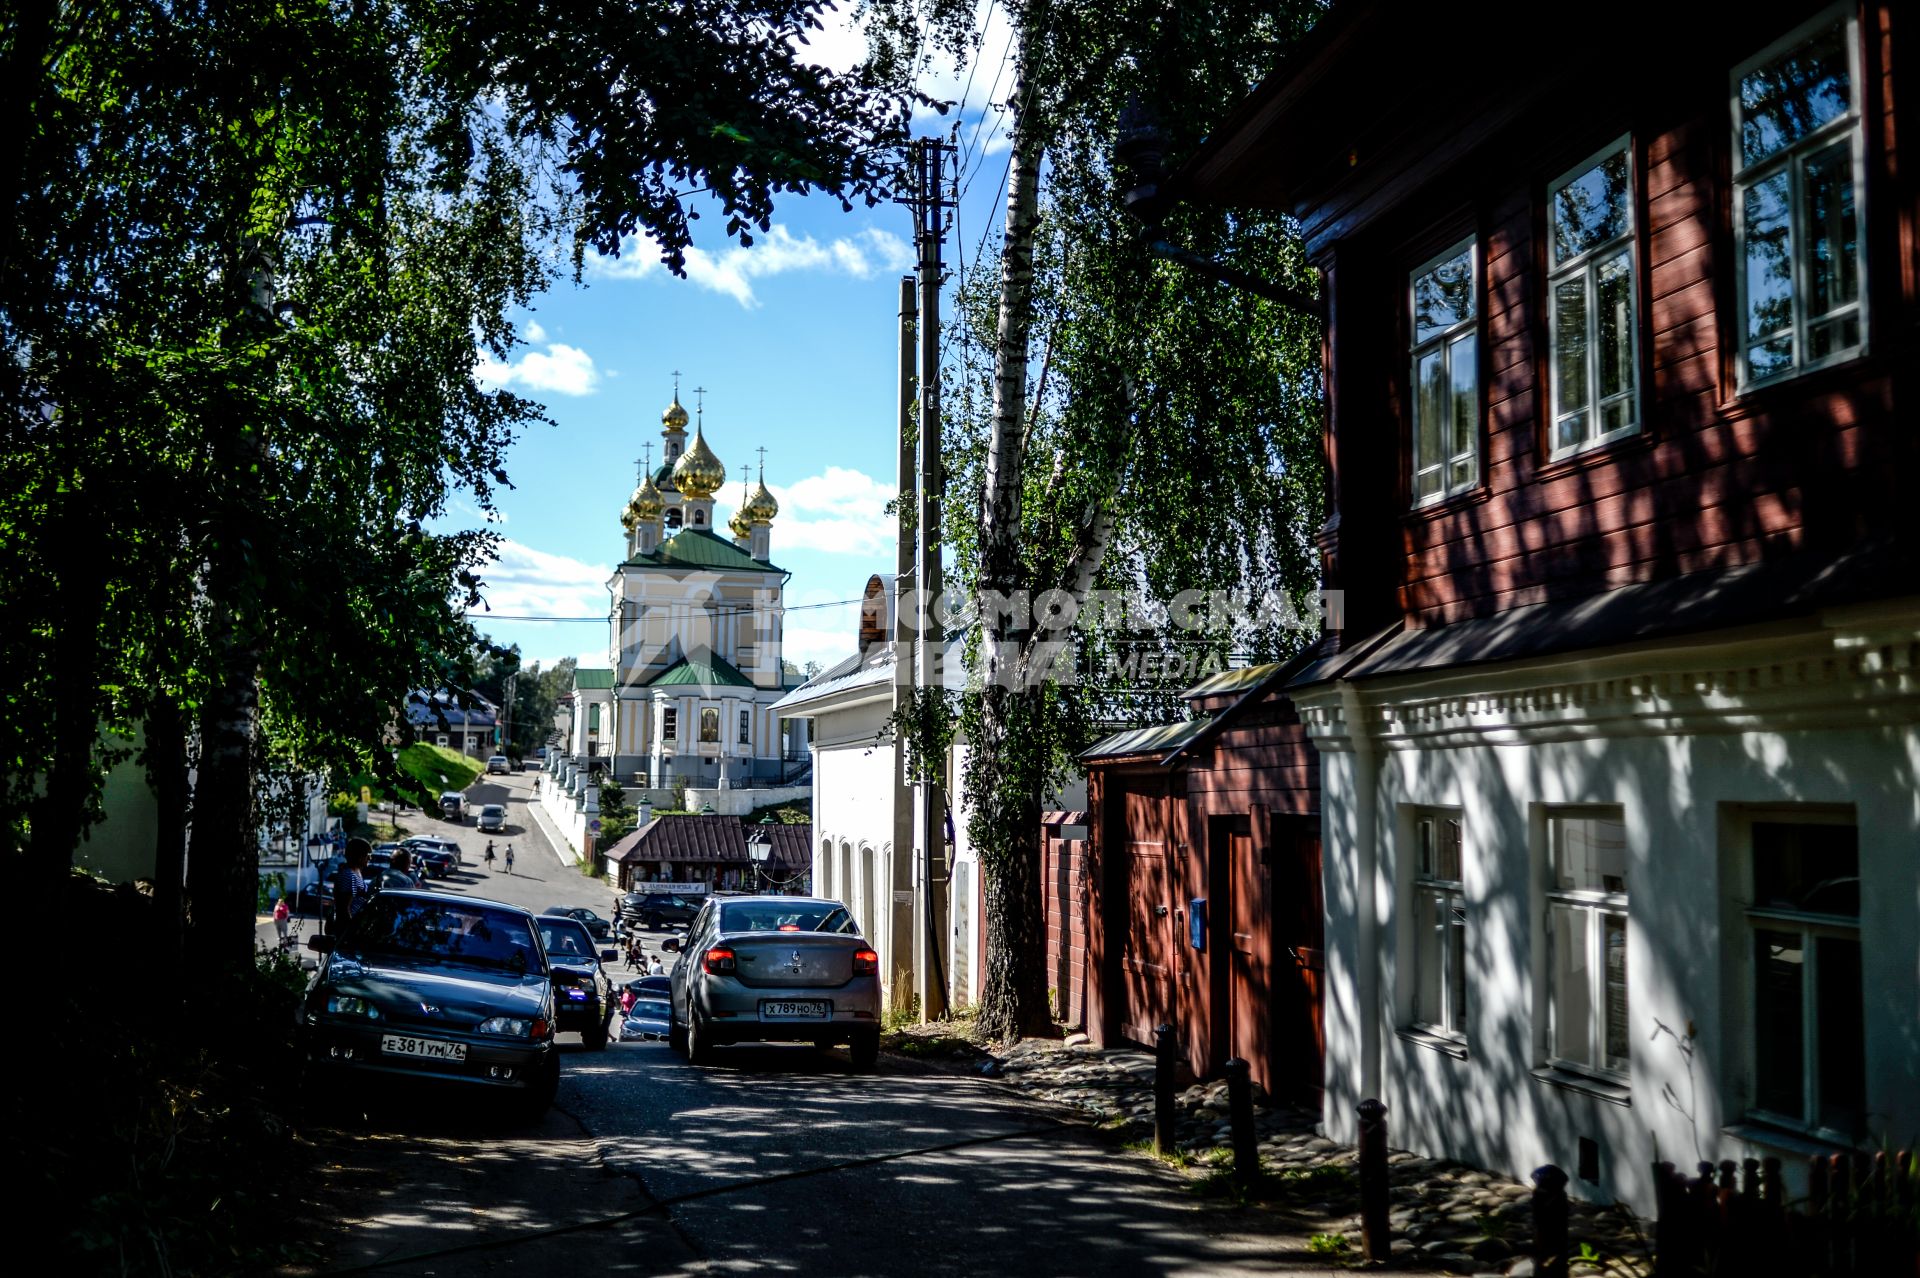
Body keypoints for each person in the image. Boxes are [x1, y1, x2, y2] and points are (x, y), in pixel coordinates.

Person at [331, 839, 372, 932]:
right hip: (347, 930)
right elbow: (344, 909)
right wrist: (351, 931)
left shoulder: (356, 872)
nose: (370, 858)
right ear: (359, 855)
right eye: (368, 855)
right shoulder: (348, 875)